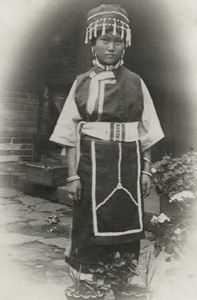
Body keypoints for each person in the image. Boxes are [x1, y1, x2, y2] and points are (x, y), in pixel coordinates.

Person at [50, 3, 164, 293]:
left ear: (125, 44)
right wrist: (73, 176)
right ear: (93, 43)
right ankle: (88, 285)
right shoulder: (81, 84)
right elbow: (70, 135)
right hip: (90, 165)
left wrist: (147, 171)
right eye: (105, 40)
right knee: (89, 221)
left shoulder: (137, 83)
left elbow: (146, 131)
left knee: (125, 221)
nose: (111, 47)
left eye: (118, 40)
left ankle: (120, 279)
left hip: (128, 165)